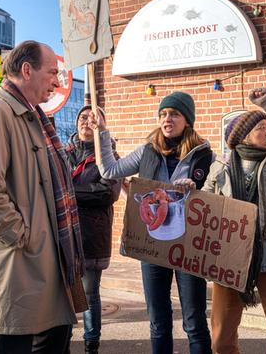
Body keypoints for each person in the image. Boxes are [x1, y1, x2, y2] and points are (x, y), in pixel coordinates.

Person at [0, 40, 84, 354]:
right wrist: (23, 236)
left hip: (47, 261)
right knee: (12, 344)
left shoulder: (33, 117)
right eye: (52, 73)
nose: (57, 82)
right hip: (20, 263)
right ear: (27, 70)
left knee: (54, 341)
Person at [93, 91, 213, 354]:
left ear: (187, 120)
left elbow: (215, 193)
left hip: (188, 244)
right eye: (163, 114)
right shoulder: (148, 150)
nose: (167, 119)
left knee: (194, 322)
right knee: (158, 321)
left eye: (174, 114)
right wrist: (102, 132)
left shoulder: (204, 154)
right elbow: (110, 171)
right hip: (152, 244)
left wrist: (196, 188)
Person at [202, 87, 266, 354]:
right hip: (229, 259)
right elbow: (202, 208)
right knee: (222, 340)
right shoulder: (220, 169)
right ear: (242, 137)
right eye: (261, 127)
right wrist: (186, 190)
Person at [66, 105, 121, 354]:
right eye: (82, 117)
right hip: (63, 233)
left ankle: (91, 343)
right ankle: (62, 340)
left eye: (93, 118)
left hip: (92, 234)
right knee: (63, 293)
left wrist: (67, 195)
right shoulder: (62, 154)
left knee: (89, 293)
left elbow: (107, 192)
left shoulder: (109, 158)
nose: (86, 121)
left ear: (102, 125)